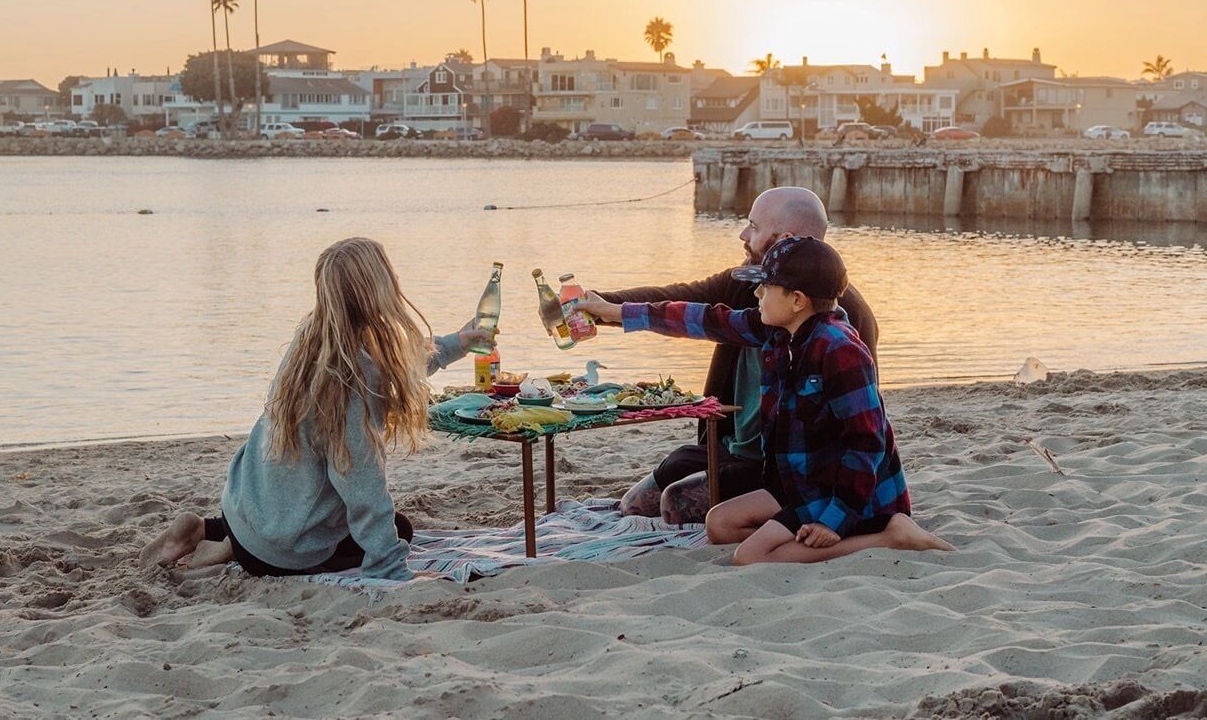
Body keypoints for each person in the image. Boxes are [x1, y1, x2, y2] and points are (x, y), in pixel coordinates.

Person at [575, 236, 950, 564]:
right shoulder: (776, 330)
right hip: (798, 486)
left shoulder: (841, 349)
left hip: (846, 495)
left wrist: (833, 520)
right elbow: (703, 319)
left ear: (797, 300)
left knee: (749, 557)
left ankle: (890, 537)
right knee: (719, 523)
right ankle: (809, 535)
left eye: (765, 288)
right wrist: (612, 312)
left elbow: (867, 443)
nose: (756, 295)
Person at [140, 237, 494, 580]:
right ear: (377, 291)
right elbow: (362, 487)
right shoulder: (351, 380)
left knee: (329, 509)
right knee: (399, 529)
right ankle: (233, 550)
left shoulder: (313, 339)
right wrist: (388, 566)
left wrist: (456, 344)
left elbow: (395, 363)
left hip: (243, 509)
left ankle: (210, 531)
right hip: (277, 552)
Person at [592, 186, 877, 525]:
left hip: (795, 468)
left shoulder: (840, 325)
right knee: (636, 503)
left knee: (676, 502)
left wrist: (834, 517)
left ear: (782, 239)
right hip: (732, 447)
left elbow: (861, 434)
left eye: (754, 227)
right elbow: (688, 306)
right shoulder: (752, 286)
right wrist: (599, 307)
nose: (743, 234)